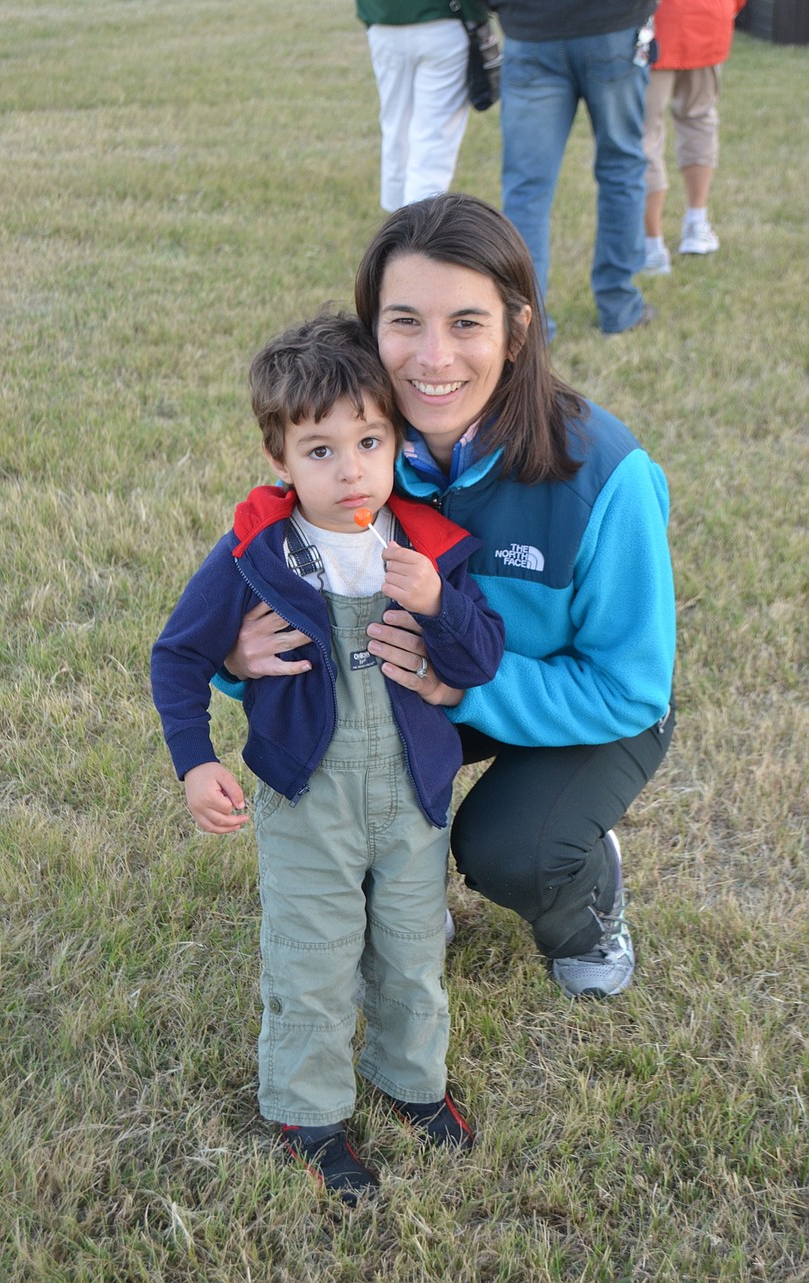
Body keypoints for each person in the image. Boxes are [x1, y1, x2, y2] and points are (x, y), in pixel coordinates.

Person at [223, 193, 676, 1010]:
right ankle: (401, 893)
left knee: (510, 848)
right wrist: (233, 659)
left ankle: (587, 898)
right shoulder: (357, 444)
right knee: (335, 743)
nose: (432, 358)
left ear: (518, 329)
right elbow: (259, 578)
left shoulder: (609, 474)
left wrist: (465, 683)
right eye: (404, 322)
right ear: (370, 329)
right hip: (422, 676)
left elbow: (632, 687)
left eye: (467, 323)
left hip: (594, 703)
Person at [151, 311, 504, 1206]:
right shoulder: (256, 555)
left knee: (414, 947)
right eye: (319, 449)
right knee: (313, 953)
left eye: (369, 441)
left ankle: (411, 1079)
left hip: (414, 797)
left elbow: (476, 664)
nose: (348, 468)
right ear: (279, 459)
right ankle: (307, 1112)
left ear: (393, 442)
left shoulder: (427, 548)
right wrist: (195, 760)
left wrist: (439, 605)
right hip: (308, 799)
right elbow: (178, 654)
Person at [493, 0, 657, 336]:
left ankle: (532, 324)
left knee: (527, 189)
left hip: (533, 28)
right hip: (612, 27)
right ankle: (619, 305)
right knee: (621, 171)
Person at [642, 0, 747, 275]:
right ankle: (695, 224)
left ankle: (652, 244)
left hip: (655, 22)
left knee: (646, 132)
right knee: (698, 119)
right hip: (707, 16)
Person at [357, 0, 491, 212]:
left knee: (396, 128)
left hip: (384, 20)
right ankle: (416, 229)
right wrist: (477, 16)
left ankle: (394, 226)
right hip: (442, 20)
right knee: (434, 138)